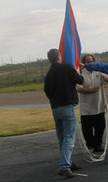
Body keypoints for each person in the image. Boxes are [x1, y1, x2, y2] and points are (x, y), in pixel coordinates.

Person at [44, 48, 84, 178]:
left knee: (62, 138)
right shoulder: (66, 67)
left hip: (55, 108)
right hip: (67, 106)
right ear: (59, 56)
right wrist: (77, 71)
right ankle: (65, 166)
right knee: (69, 137)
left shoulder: (49, 74)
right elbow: (80, 80)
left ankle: (67, 161)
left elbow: (47, 91)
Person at [77, 54, 108, 152]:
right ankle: (90, 145)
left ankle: (98, 144)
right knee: (87, 129)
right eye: (87, 62)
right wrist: (90, 90)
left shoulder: (98, 72)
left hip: (99, 105)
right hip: (87, 107)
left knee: (100, 127)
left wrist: (106, 78)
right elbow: (78, 88)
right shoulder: (81, 74)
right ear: (84, 63)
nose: (89, 63)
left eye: (91, 61)